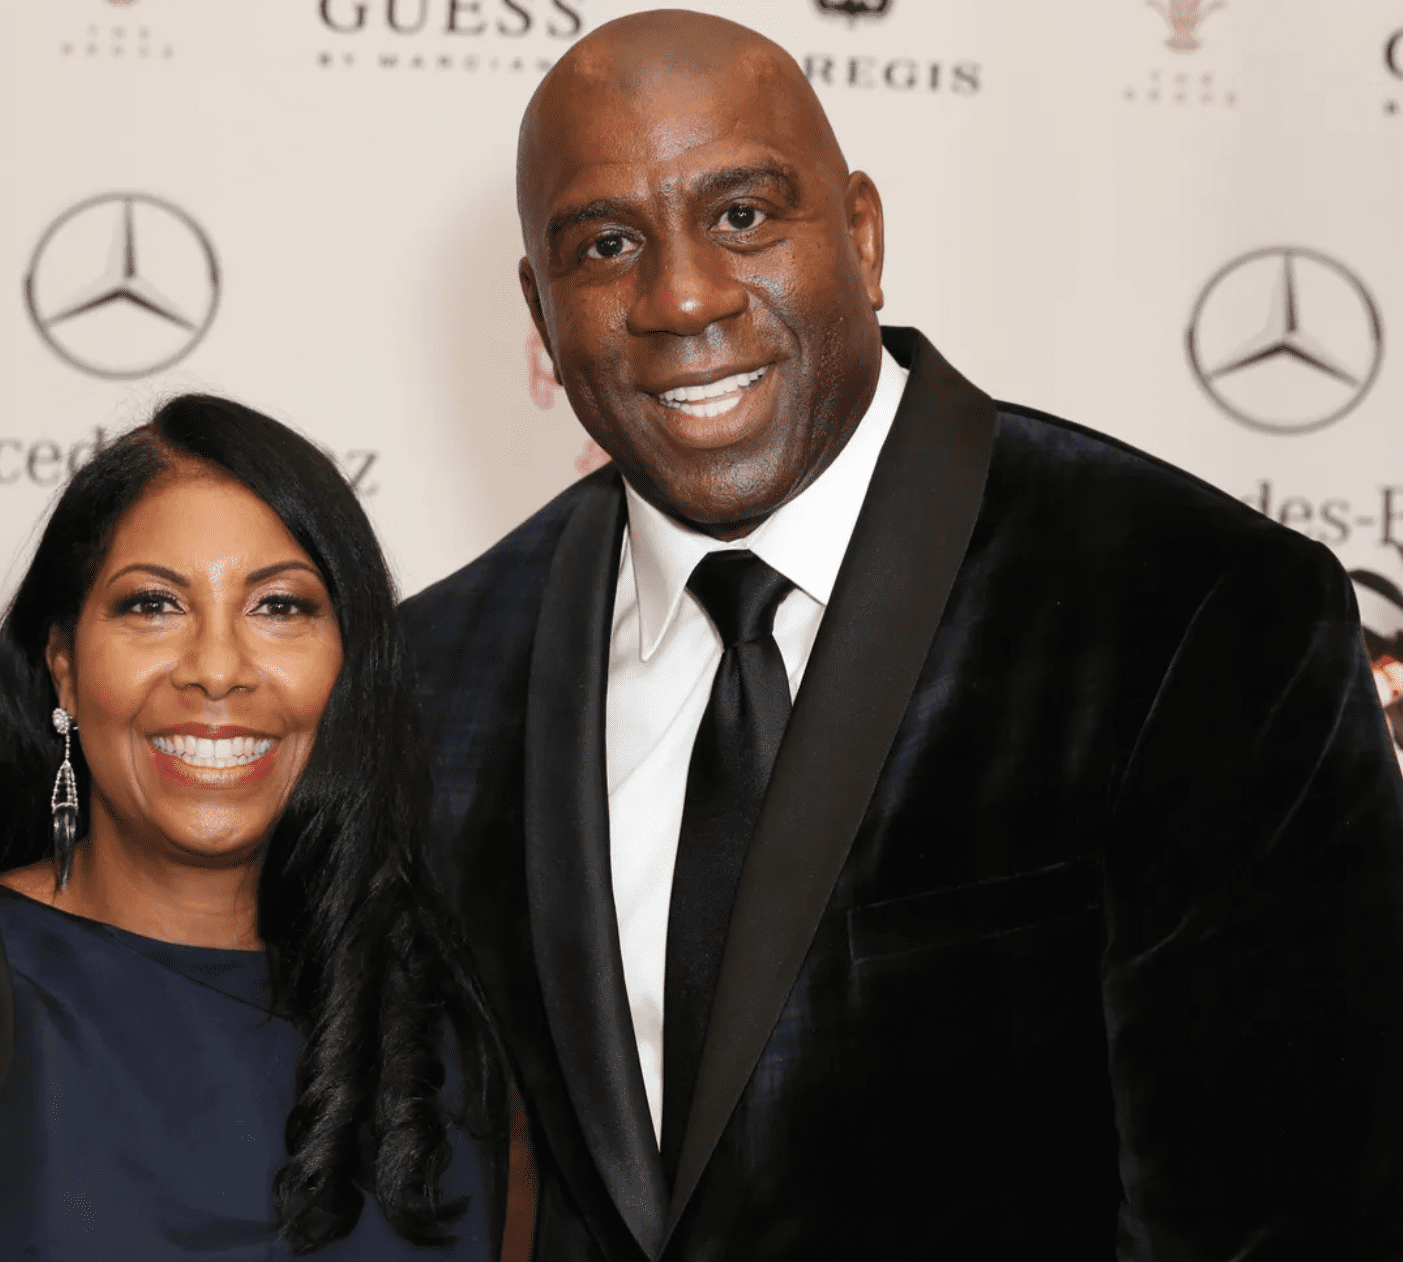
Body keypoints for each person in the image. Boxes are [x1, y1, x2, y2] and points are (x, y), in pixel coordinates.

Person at [401, 10, 1403, 1260]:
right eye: (605, 245)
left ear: (863, 235)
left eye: (743, 216)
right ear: (540, 313)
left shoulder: (1190, 608)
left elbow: (1289, 1219)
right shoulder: (440, 676)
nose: (683, 295)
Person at [0, 396, 504, 1261]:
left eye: (279, 607)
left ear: (351, 669)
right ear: (65, 670)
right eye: (153, 605)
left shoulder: (454, 1041)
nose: (217, 670)